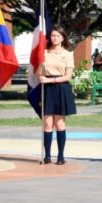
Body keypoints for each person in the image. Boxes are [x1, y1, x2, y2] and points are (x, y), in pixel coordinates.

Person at [39, 27, 77, 164]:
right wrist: (40, 75)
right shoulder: (44, 53)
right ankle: (47, 155)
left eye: (57, 36)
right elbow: (38, 71)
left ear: (62, 38)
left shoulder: (67, 54)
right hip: (47, 89)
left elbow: (68, 76)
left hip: (61, 88)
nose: (54, 38)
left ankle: (61, 156)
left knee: (59, 124)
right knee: (48, 124)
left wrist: (50, 80)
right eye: (52, 35)